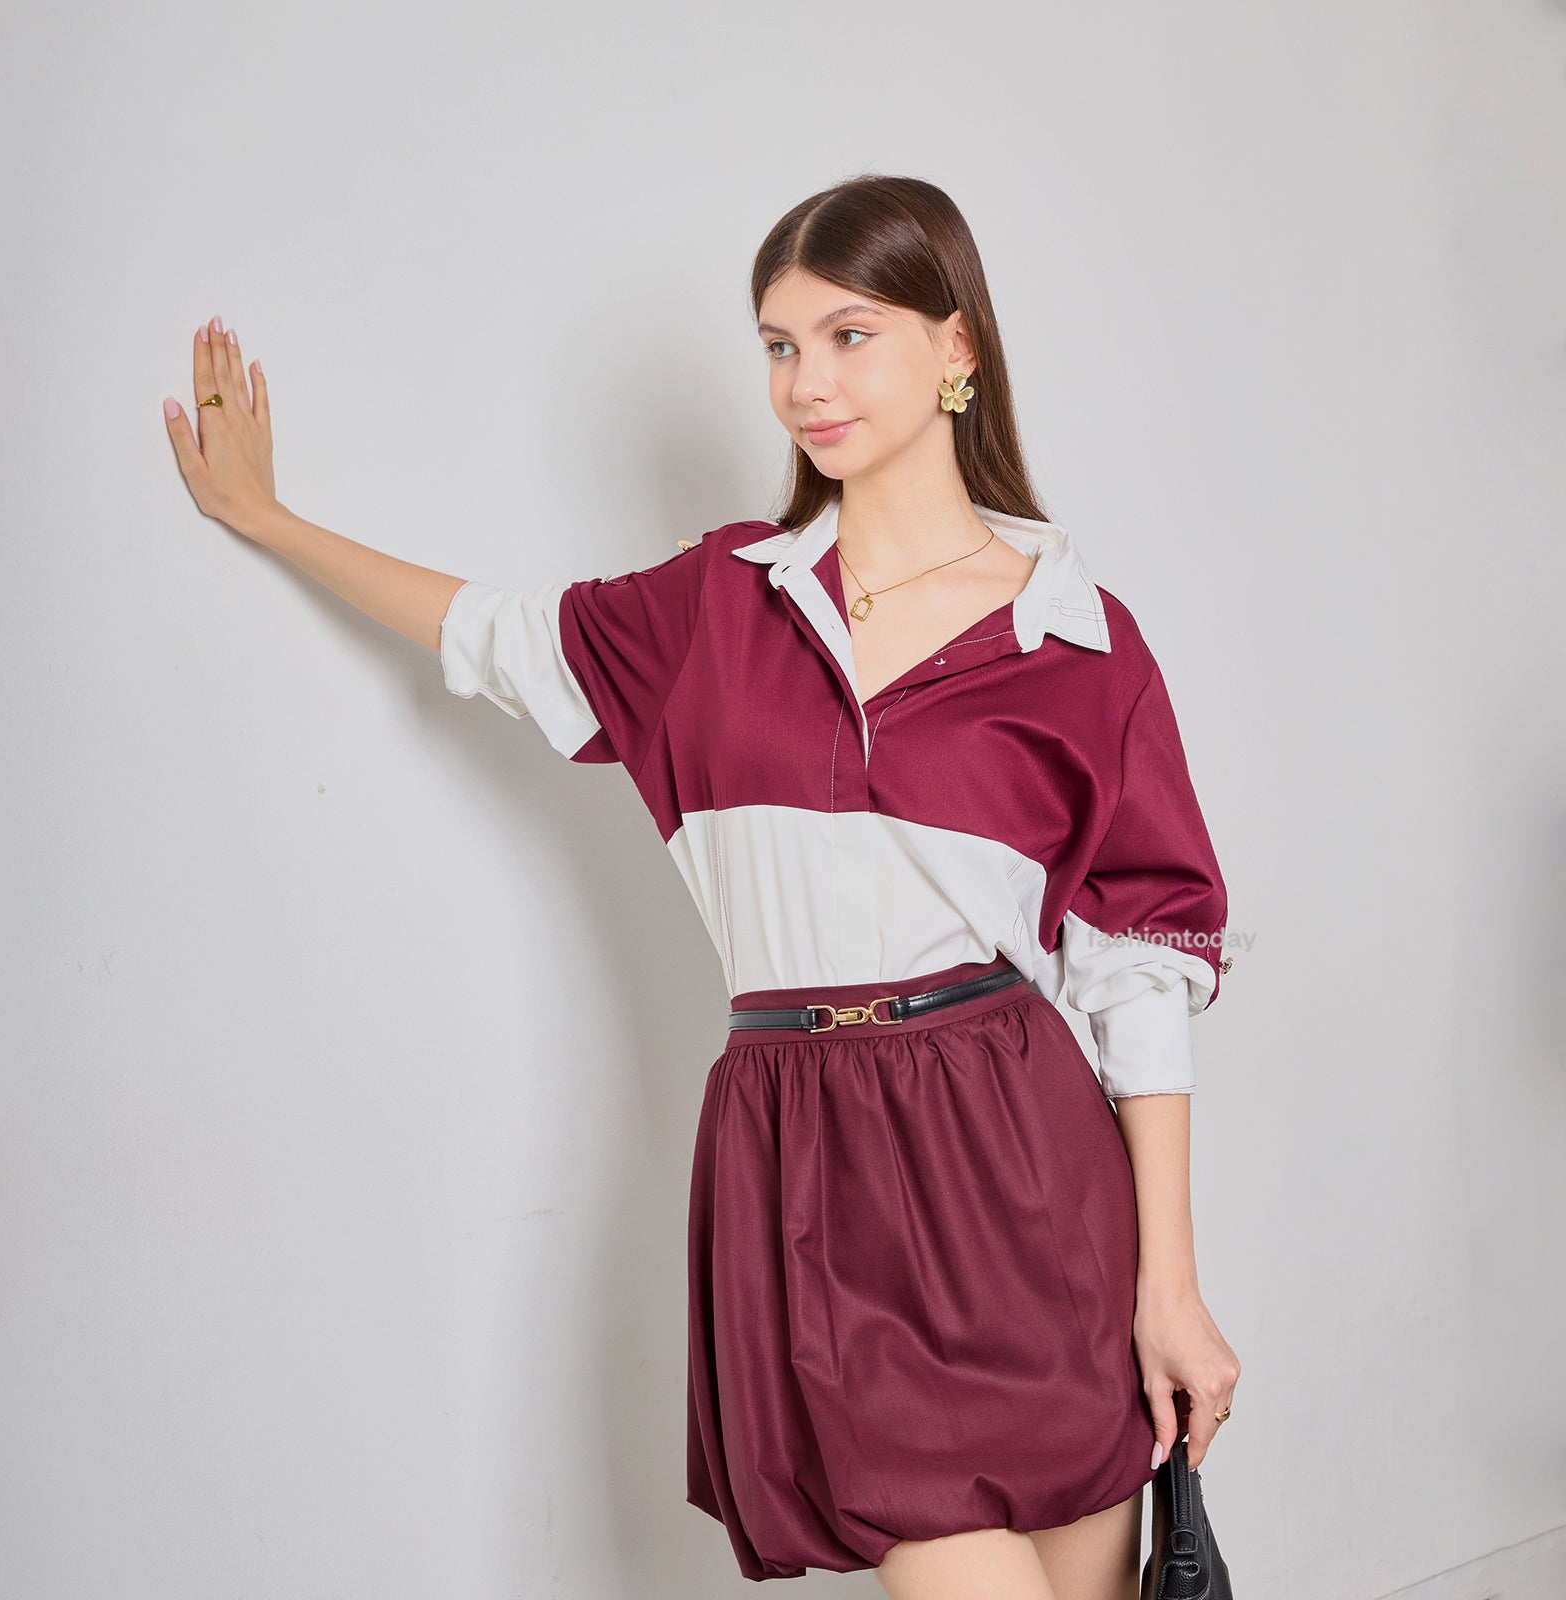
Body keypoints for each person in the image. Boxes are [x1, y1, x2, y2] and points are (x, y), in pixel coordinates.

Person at [162, 173, 1241, 1600]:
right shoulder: (721, 602)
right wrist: (271, 517)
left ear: (957, 346)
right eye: (780, 346)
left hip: (1025, 1161)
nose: (806, 383)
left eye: (849, 335)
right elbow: (496, 638)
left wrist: (1170, 1288)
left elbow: (1137, 971)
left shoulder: (1078, 638)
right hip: (815, 1158)